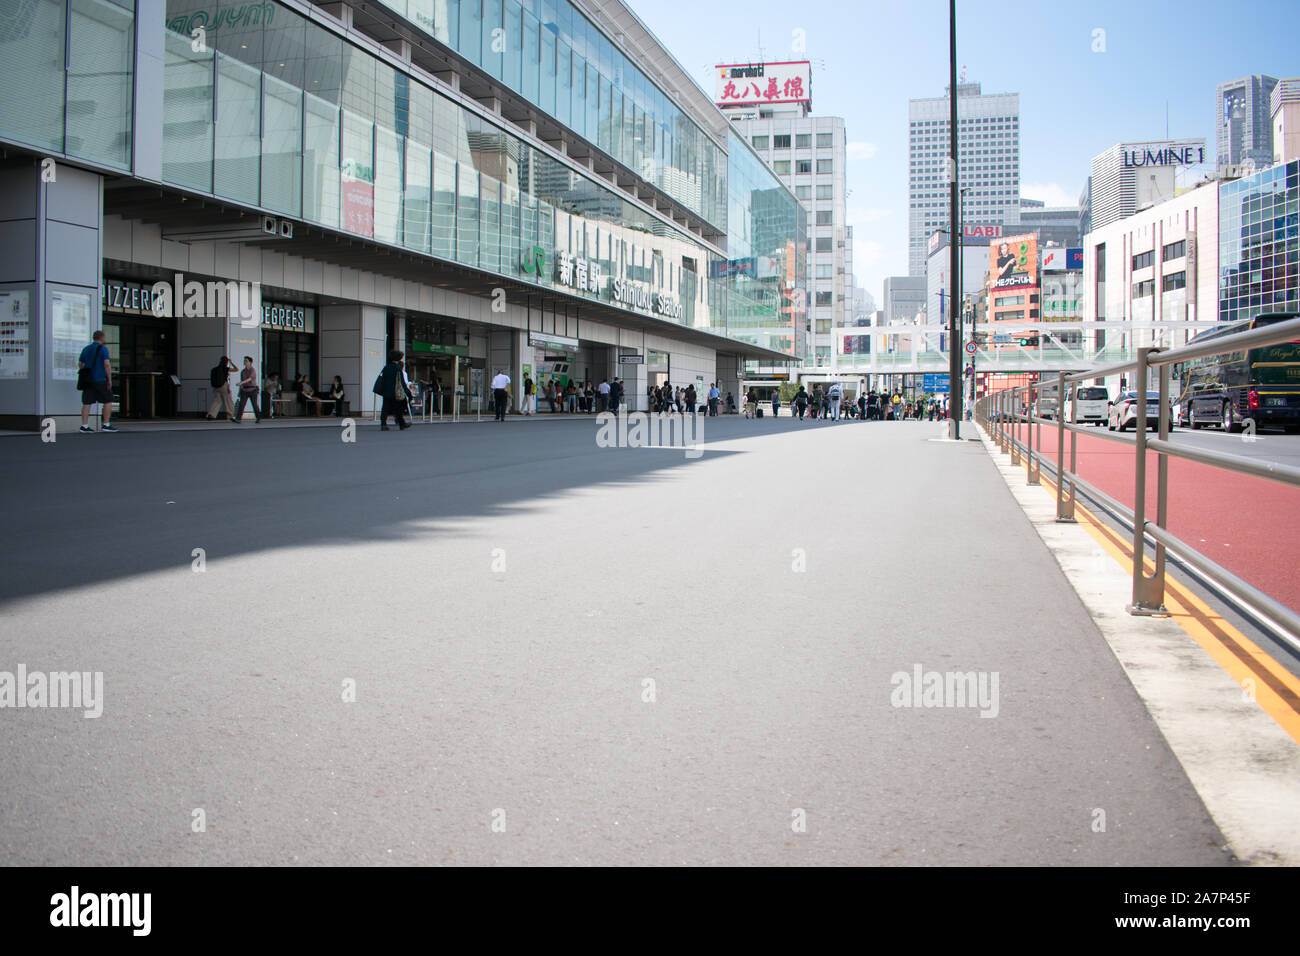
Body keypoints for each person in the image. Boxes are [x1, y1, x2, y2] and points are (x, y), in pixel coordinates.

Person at [77, 330, 117, 432]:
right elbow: (107, 364)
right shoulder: (103, 349)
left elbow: (80, 364)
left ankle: (84, 426)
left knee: (87, 402)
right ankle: (106, 424)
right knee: (108, 400)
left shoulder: (86, 349)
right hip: (100, 379)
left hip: (88, 380)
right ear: (102, 338)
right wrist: (109, 379)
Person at [377, 350, 410, 431]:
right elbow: (402, 382)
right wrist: (408, 393)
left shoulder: (386, 368)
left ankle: (383, 424)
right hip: (395, 392)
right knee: (398, 409)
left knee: (385, 408)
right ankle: (402, 424)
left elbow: (382, 379)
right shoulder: (398, 368)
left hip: (386, 391)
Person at [206, 356, 238, 422]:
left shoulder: (214, 369)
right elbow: (236, 369)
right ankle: (230, 416)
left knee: (217, 401)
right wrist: (231, 362)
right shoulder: (226, 368)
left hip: (216, 387)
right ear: (226, 362)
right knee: (228, 401)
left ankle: (211, 414)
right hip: (224, 386)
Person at [231, 355, 261, 423]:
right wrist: (240, 391)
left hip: (253, 390)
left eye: (246, 361)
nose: (245, 362)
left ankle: (258, 417)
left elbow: (250, 379)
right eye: (244, 361)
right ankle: (238, 418)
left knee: (254, 404)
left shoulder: (252, 370)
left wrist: (241, 383)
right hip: (244, 390)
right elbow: (242, 383)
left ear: (250, 362)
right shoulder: (243, 371)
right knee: (241, 404)